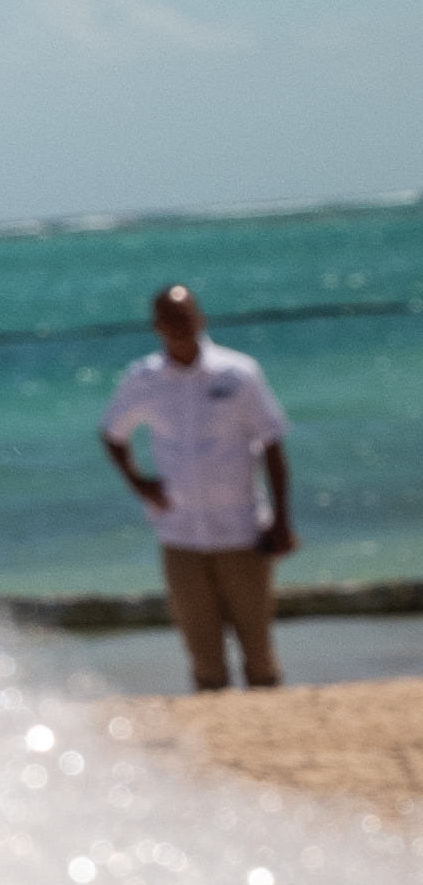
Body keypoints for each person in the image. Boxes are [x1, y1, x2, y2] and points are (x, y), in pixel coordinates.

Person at [102, 279, 294, 692]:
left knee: (258, 650)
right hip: (181, 535)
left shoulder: (238, 372)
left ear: (200, 318)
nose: (178, 325)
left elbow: (272, 443)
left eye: (185, 316)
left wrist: (281, 521)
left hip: (241, 532)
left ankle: (269, 728)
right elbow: (112, 432)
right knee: (203, 655)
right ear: (157, 326)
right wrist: (139, 483)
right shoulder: (144, 379)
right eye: (169, 319)